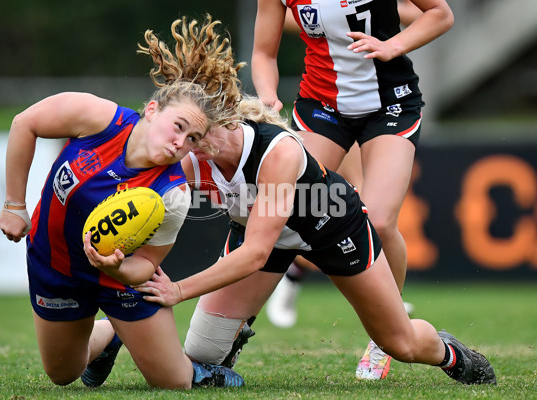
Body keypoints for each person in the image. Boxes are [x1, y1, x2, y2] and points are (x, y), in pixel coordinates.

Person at [133, 96, 496, 387]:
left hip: (330, 226)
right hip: (264, 234)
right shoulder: (189, 158)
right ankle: (225, 334)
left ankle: (451, 352)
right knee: (201, 352)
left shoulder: (276, 151)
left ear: (228, 121)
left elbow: (255, 254)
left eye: (197, 135)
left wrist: (177, 291)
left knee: (400, 344)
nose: (186, 145)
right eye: (184, 135)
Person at [0, 15, 246, 390]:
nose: (182, 143)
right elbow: (24, 124)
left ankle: (200, 370)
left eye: (193, 139)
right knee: (63, 374)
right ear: (151, 110)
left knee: (173, 382)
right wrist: (15, 205)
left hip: (119, 279)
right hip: (57, 264)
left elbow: (147, 264)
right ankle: (110, 335)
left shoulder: (174, 193)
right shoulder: (98, 119)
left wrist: (118, 269)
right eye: (179, 126)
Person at [251, 0, 454, 380]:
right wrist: (267, 96)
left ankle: (386, 337)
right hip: (321, 107)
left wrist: (395, 45)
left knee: (376, 219)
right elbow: (264, 53)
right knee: (284, 211)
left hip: (390, 104)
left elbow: (440, 13)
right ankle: (231, 330)